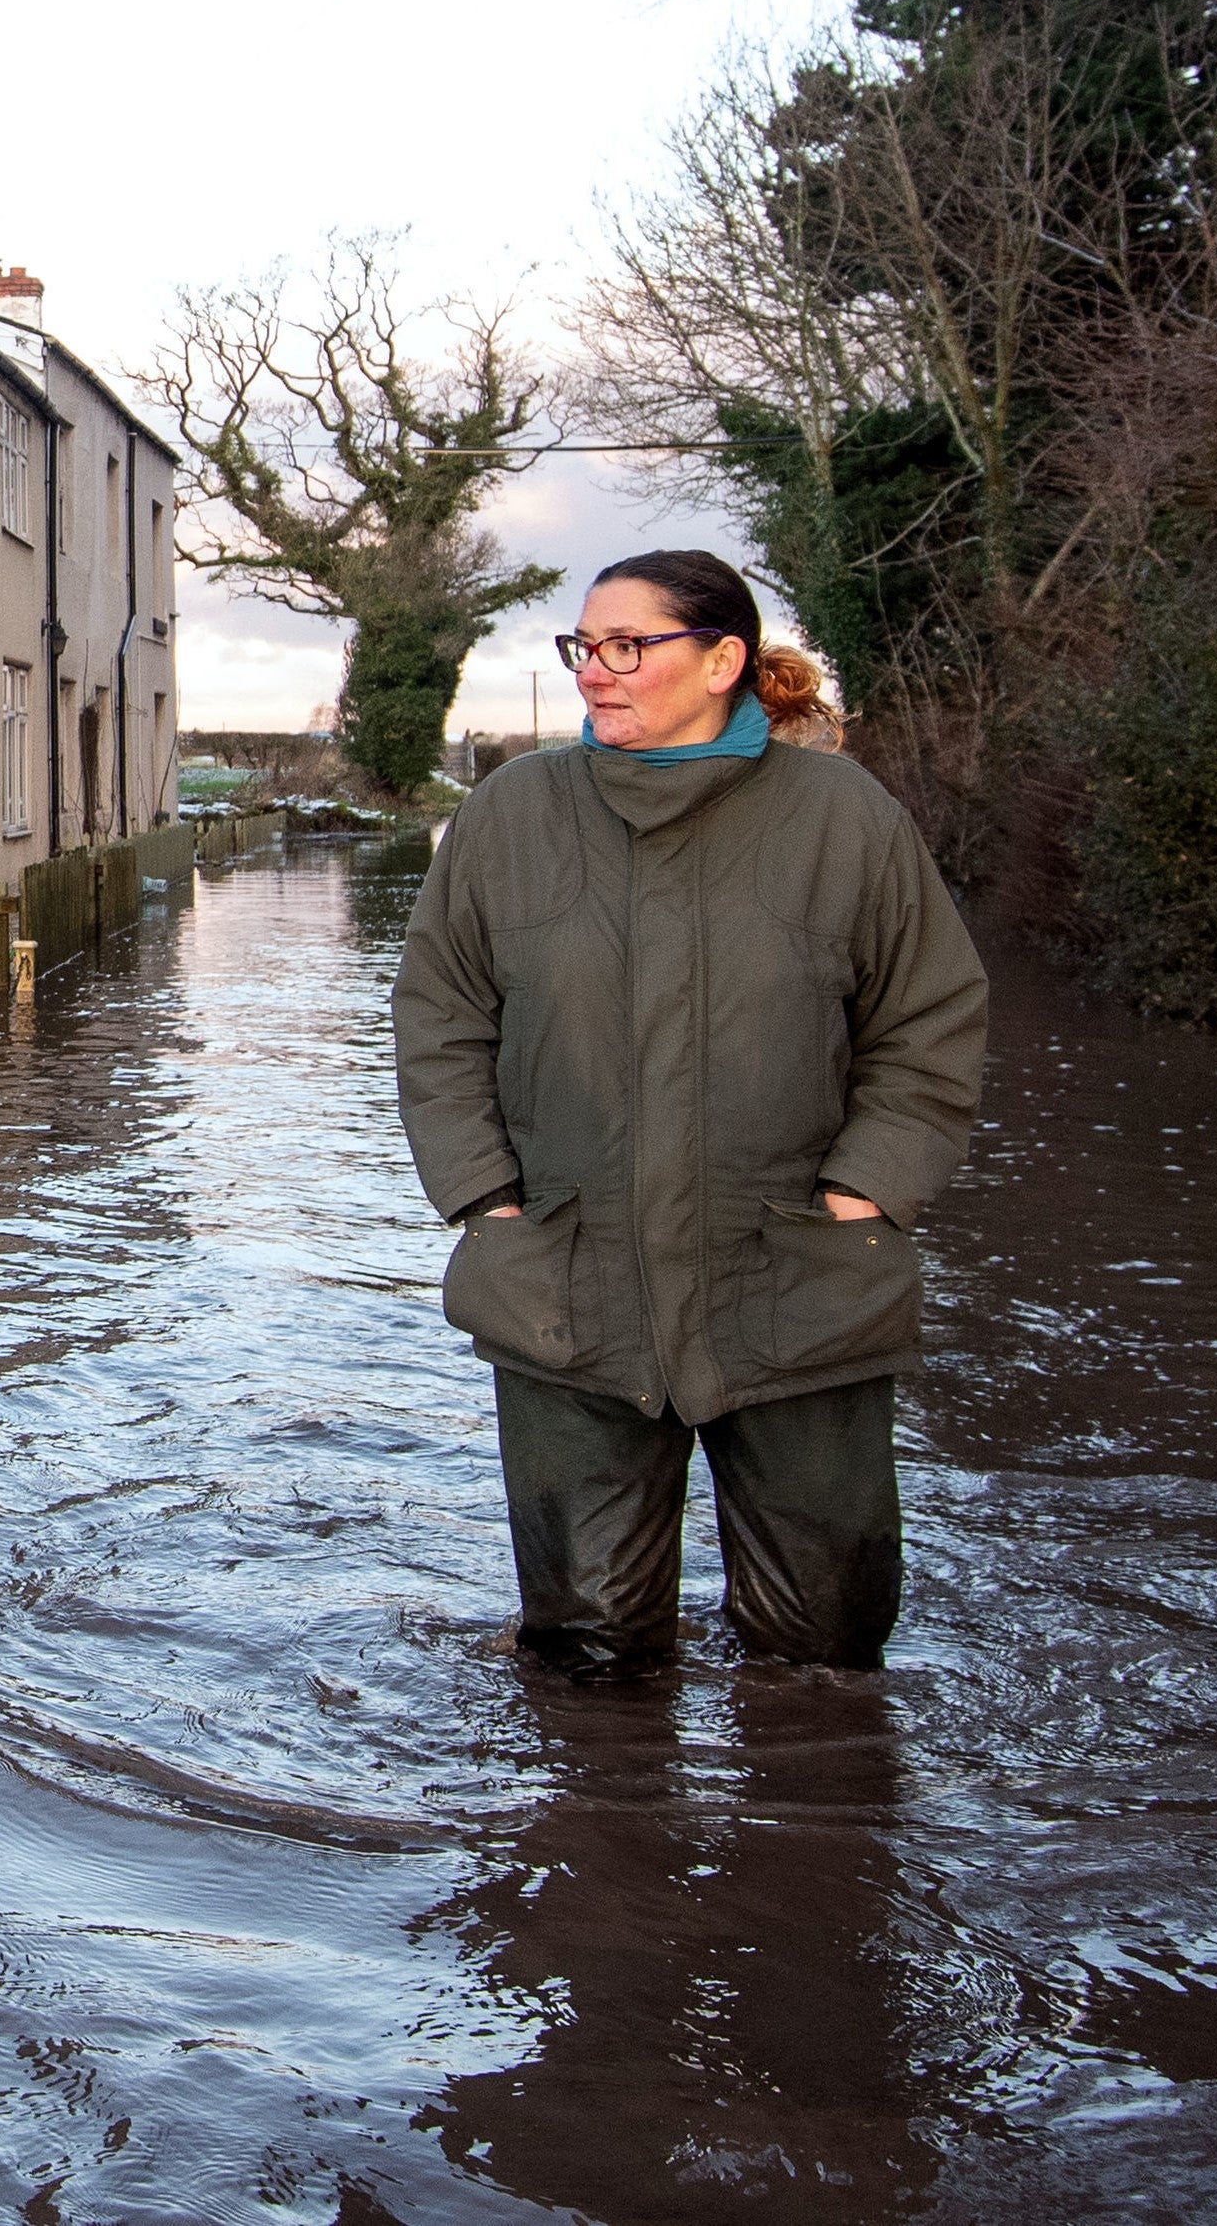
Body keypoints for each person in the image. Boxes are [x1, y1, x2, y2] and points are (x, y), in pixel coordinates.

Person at [392, 549, 986, 1676]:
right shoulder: (512, 813)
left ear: (723, 661)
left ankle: (821, 1845)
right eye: (583, 647)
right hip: (565, 1281)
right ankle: (603, 1841)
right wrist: (488, 1198)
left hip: (802, 1282)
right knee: (586, 1657)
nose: (595, 673)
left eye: (628, 646)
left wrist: (863, 1194)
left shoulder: (845, 820)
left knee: (825, 1648)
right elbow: (439, 1015)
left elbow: (931, 1018)